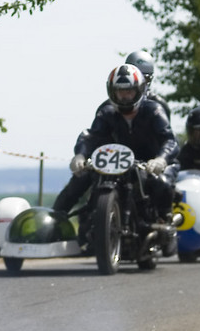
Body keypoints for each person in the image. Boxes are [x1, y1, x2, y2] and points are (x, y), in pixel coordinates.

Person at [52, 64, 179, 224]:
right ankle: (54, 221)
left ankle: (164, 225)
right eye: (120, 92)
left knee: (161, 183)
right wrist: (80, 154)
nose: (125, 96)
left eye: (129, 91)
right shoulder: (106, 112)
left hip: (151, 163)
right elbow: (91, 135)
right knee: (81, 178)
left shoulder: (154, 111)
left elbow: (169, 140)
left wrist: (161, 159)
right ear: (112, 92)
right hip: (117, 164)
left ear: (138, 90)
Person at [124, 50, 172, 120]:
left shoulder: (159, 105)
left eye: (144, 79)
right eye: (136, 80)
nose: (139, 85)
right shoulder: (109, 107)